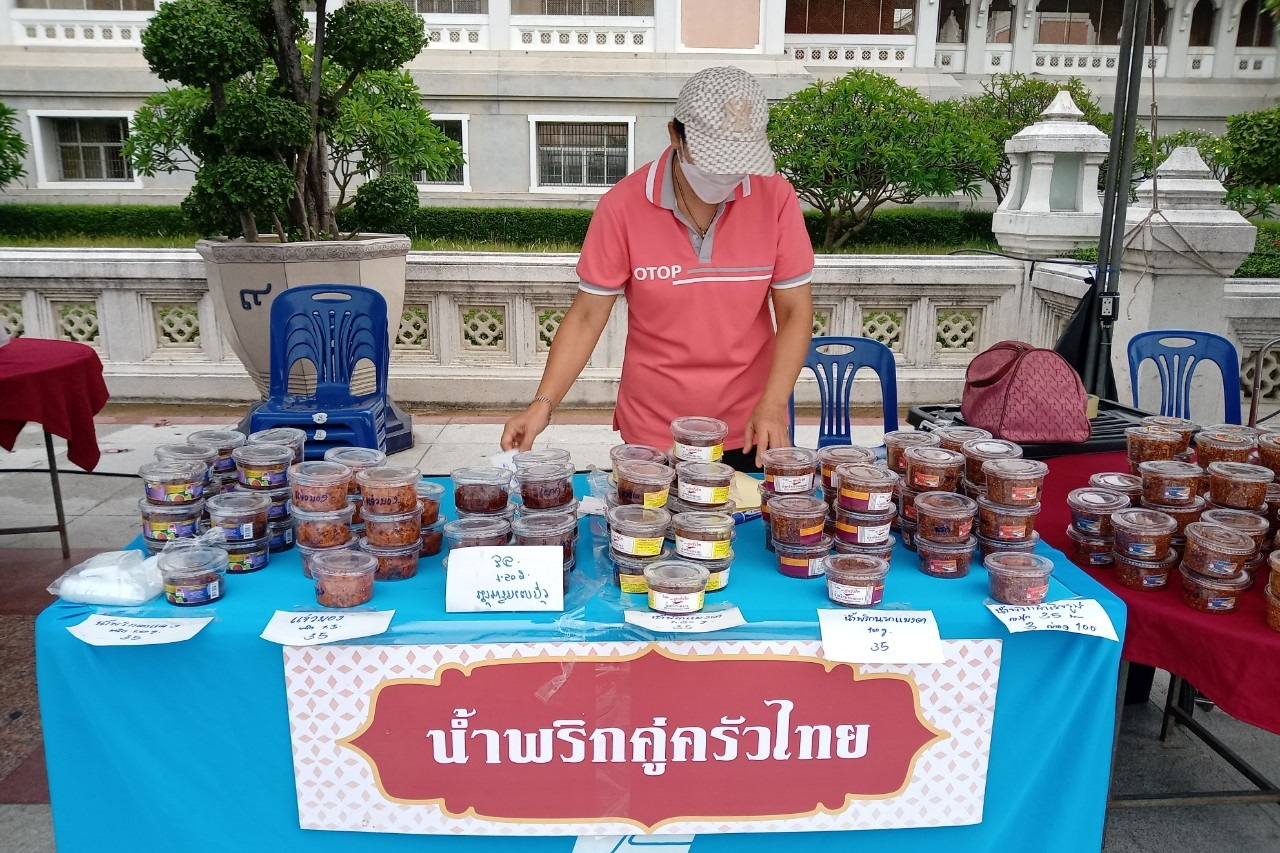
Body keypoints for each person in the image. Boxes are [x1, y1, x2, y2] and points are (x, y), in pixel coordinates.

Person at [500, 66, 814, 471]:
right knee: (647, 533)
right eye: (714, 158)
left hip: (751, 424)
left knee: (741, 531)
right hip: (653, 432)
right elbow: (586, 316)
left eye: (738, 161)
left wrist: (773, 402)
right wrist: (542, 404)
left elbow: (794, 311)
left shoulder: (775, 198)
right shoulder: (624, 206)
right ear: (674, 135)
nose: (727, 175)